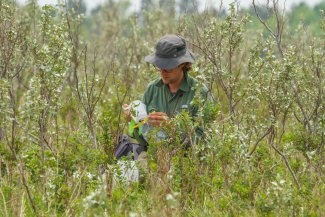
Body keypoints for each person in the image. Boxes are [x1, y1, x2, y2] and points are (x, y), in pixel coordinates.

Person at [123, 34, 213, 151]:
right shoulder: (152, 89)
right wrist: (133, 121)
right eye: (159, 67)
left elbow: (206, 141)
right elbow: (143, 142)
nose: (162, 72)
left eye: (168, 67)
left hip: (187, 164)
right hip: (155, 161)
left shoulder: (200, 93)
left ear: (183, 64)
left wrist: (172, 127)